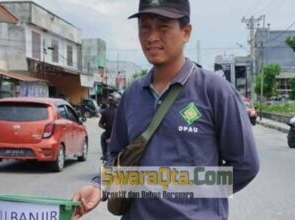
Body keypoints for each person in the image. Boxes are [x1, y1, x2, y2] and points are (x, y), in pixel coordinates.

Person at [72, 0, 259, 219]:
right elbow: (117, 156)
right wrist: (100, 186)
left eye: (163, 27)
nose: (152, 37)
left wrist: (194, 197)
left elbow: (245, 165)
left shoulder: (215, 91)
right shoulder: (132, 94)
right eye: (145, 27)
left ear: (186, 32)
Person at [98, 92, 121, 161]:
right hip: (118, 136)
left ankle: (104, 155)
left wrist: (106, 127)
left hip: (108, 135)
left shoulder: (105, 112)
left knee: (102, 136)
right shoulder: (121, 111)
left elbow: (100, 124)